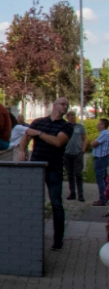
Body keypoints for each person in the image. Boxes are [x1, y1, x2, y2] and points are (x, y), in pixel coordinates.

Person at [18, 97, 73, 250]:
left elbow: (58, 142)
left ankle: (58, 240)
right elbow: (27, 136)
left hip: (54, 168)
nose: (65, 107)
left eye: (67, 105)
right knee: (32, 202)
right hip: (36, 167)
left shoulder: (67, 126)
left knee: (56, 203)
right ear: (54, 105)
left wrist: (39, 133)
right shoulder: (38, 122)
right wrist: (22, 150)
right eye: (63, 104)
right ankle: (30, 236)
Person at [62, 111, 87, 202]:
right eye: (71, 116)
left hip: (77, 154)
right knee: (70, 174)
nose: (73, 118)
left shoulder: (80, 127)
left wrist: (82, 151)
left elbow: (84, 139)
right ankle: (72, 193)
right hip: (67, 154)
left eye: (74, 116)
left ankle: (80, 194)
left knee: (78, 174)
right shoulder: (64, 127)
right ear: (67, 117)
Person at [91, 118, 109, 206]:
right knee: (104, 178)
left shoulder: (105, 134)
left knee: (100, 179)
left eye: (99, 124)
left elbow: (94, 144)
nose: (98, 125)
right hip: (102, 158)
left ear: (103, 125)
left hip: (101, 158)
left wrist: (92, 143)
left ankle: (103, 198)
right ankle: (105, 197)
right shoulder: (103, 134)